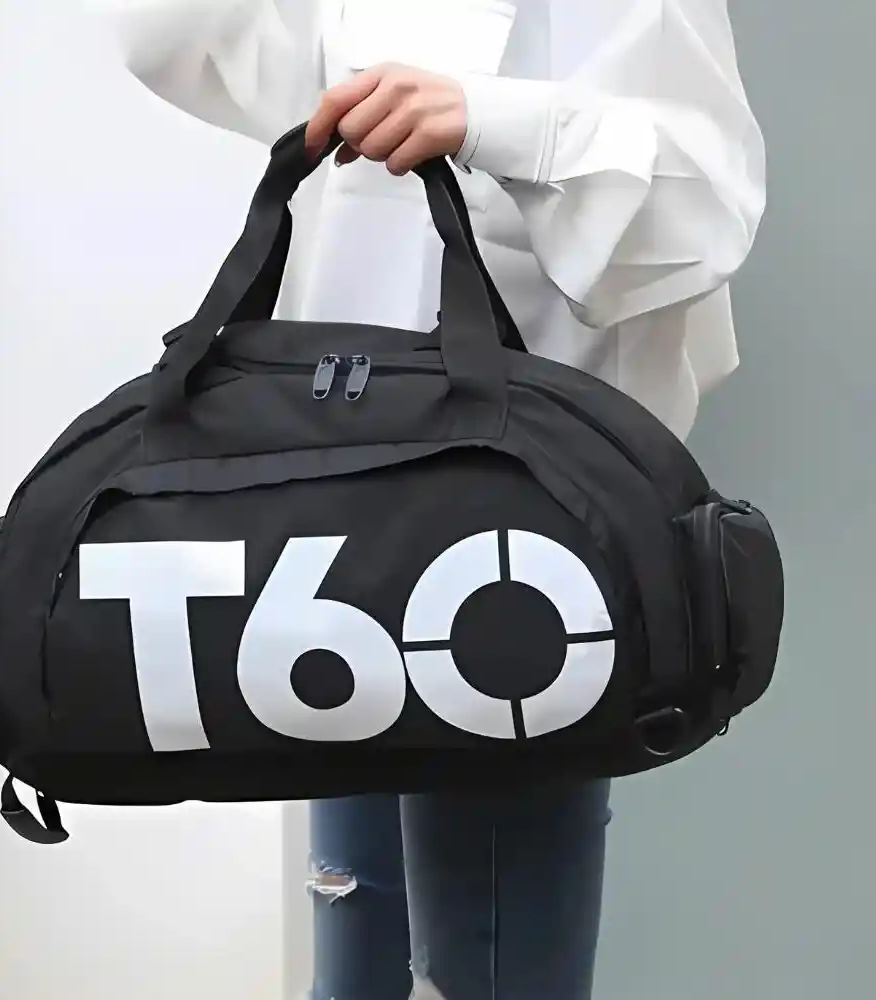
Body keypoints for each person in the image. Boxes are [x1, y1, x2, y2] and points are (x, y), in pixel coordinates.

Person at [91, 2, 765, 997]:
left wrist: (493, 121)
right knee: (355, 952)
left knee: (491, 958)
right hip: (340, 494)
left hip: (521, 512)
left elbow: (704, 206)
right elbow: (174, 41)